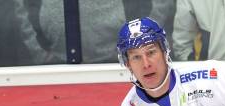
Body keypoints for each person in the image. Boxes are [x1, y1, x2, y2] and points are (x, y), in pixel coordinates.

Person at [13, 0, 175, 64]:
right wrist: (38, 53)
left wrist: (137, 50)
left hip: (117, 67)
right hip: (53, 68)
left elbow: (161, 5)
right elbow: (18, 9)